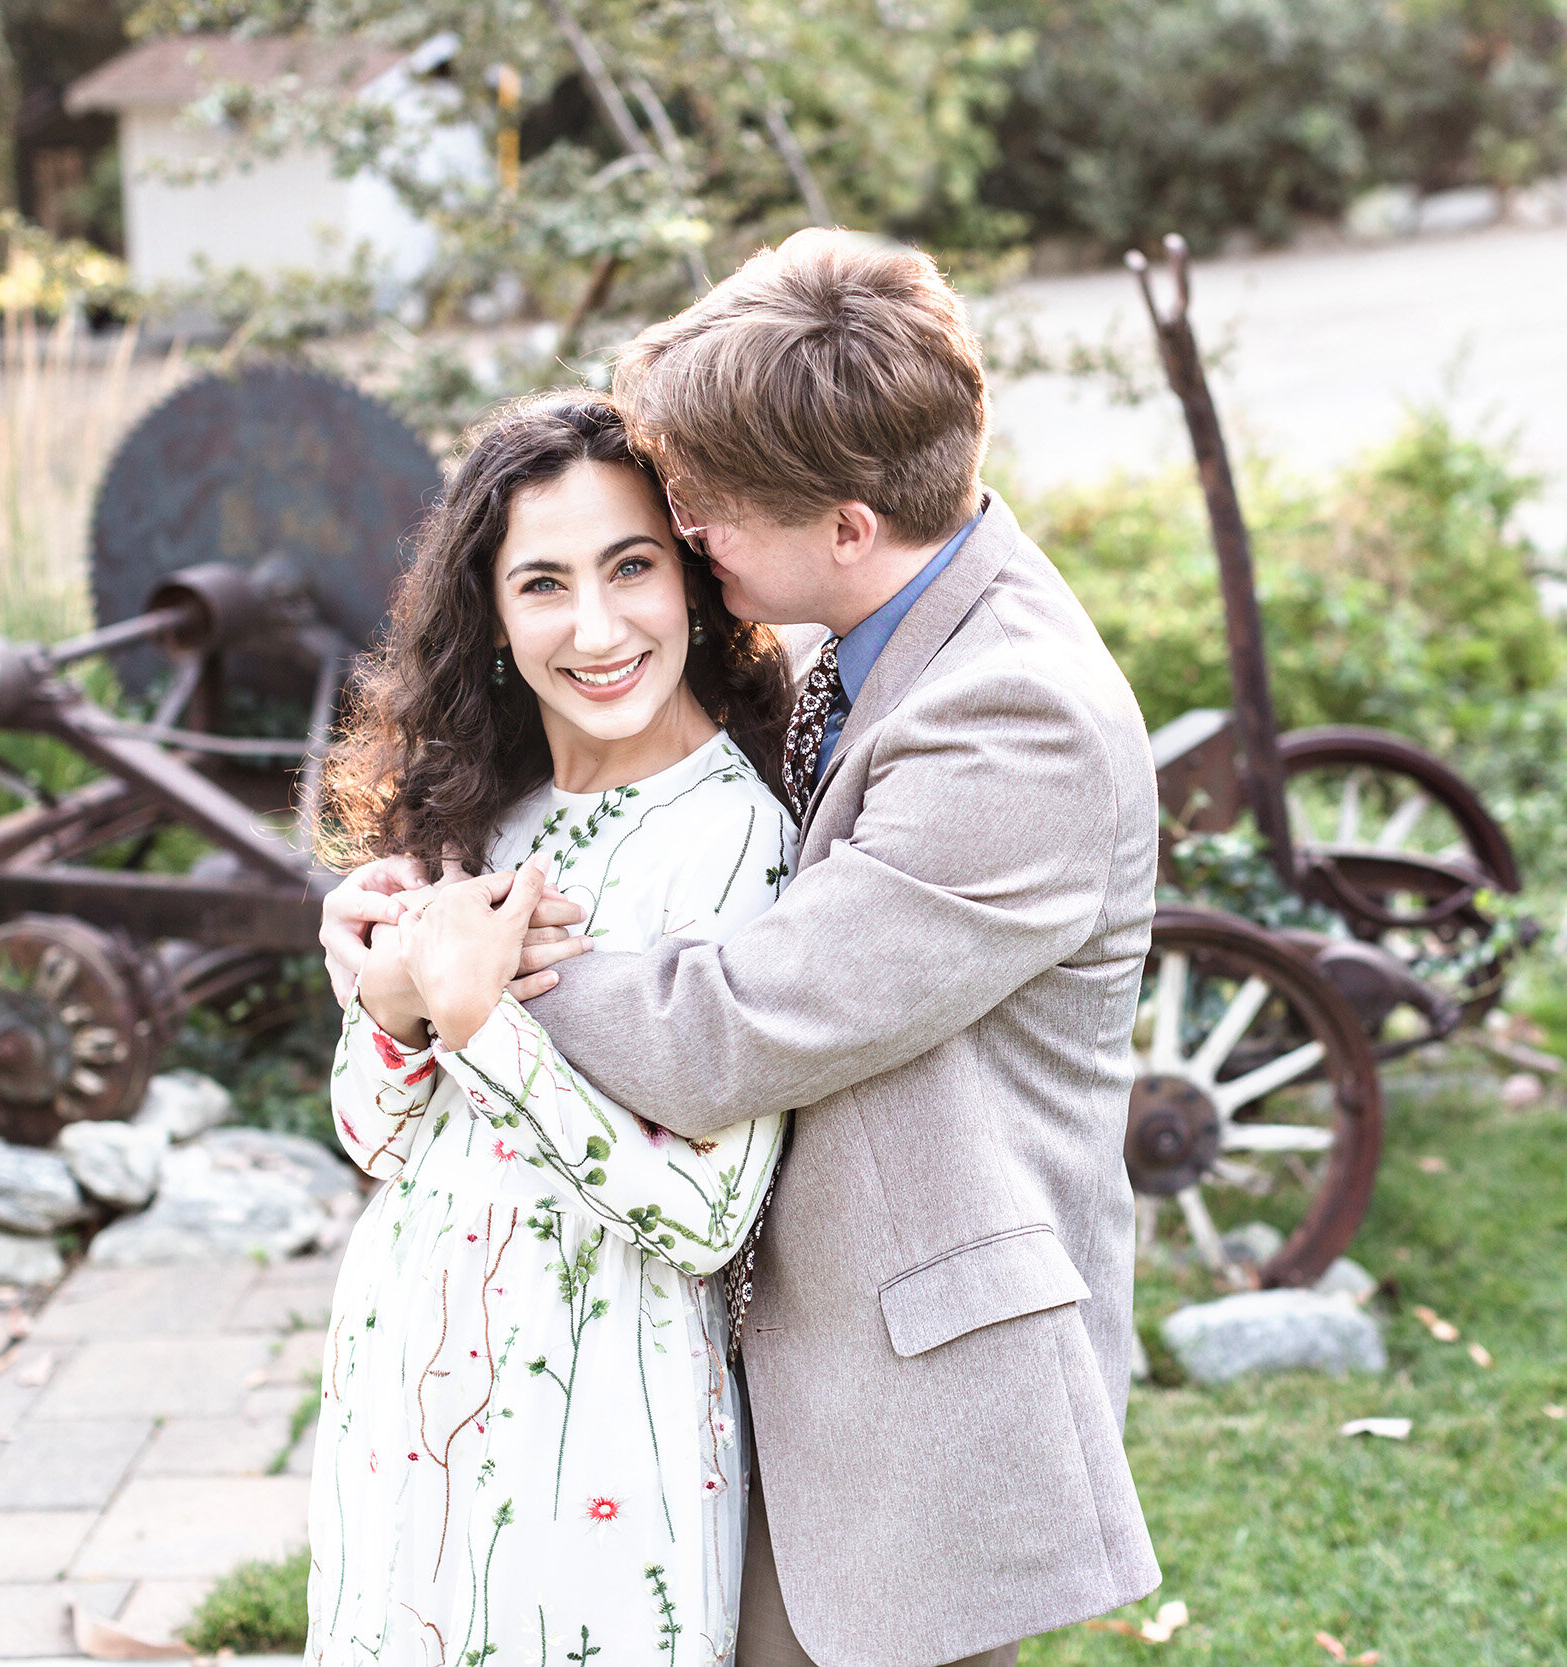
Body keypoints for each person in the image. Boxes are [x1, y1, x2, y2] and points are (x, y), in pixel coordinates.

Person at [324, 229, 1163, 1667]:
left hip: (910, 1383)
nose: (695, 529)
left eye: (705, 515)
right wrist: (408, 941)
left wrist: (458, 958)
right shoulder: (890, 625)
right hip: (734, 1365)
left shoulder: (1017, 717)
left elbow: (738, 1020)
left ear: (845, 524)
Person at [305, 393, 800, 1666]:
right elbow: (375, 1138)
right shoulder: (490, 806)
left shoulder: (736, 841)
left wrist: (479, 1020)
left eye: (630, 565)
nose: (595, 626)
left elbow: (706, 1215)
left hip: (591, 1421)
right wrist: (393, 1004)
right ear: (493, 612)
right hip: (400, 1380)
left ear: (695, 577)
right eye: (543, 582)